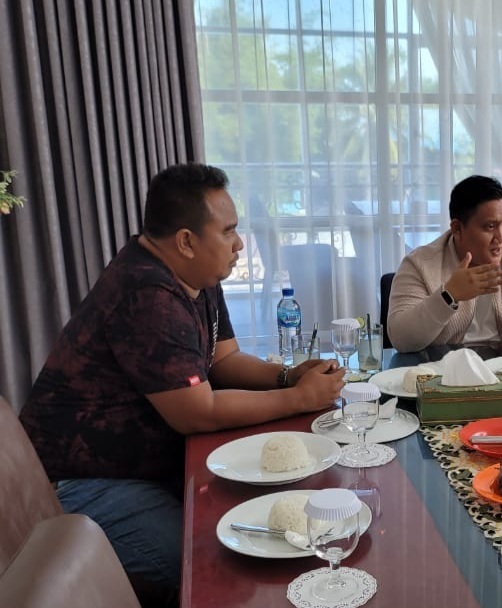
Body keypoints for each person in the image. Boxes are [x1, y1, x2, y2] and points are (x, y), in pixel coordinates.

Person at [19, 163, 346, 607]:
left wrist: (288, 376)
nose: (239, 244)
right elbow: (198, 412)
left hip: (145, 467)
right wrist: (297, 398)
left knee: (260, 508)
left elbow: (223, 360)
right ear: (187, 242)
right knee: (217, 560)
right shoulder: (146, 292)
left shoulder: (196, 275)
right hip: (85, 483)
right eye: (227, 231)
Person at [387, 175, 502, 352]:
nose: (501, 238)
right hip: (443, 370)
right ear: (457, 229)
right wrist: (449, 295)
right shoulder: (419, 264)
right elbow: (401, 339)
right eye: (490, 226)